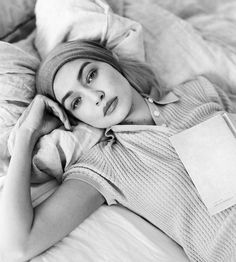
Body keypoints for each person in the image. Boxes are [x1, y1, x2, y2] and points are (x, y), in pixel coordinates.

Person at [0, 39, 236, 262]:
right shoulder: (104, 165)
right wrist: (27, 134)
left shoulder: (199, 91)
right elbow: (16, 247)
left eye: (91, 75)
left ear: (111, 61)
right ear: (73, 118)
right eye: (76, 102)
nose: (96, 97)